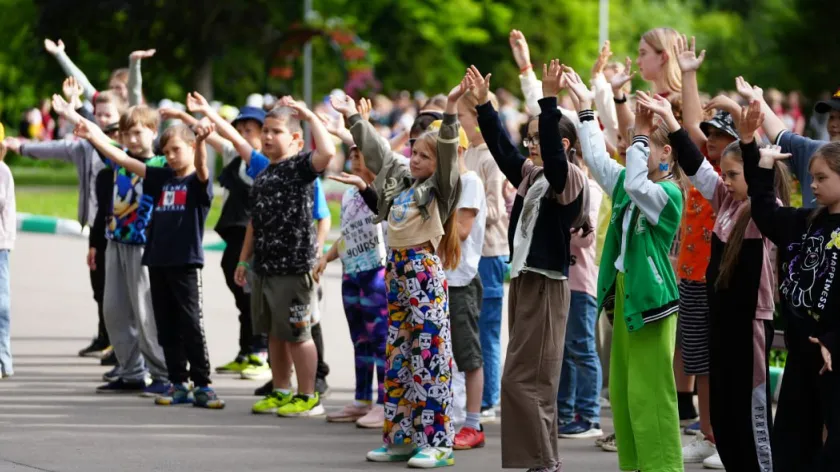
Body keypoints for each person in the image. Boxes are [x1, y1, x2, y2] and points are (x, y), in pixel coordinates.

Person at [653, 95, 790, 470]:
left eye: (733, 175)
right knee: (725, 412)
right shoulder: (725, 203)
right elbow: (697, 165)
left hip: (750, 325)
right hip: (722, 322)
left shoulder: (764, 212)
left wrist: (745, 135)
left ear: (753, 174)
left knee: (749, 411)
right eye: (724, 175)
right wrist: (670, 120)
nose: (725, 181)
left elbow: (758, 182)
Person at [334, 81, 464, 468]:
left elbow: (448, 152)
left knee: (430, 357)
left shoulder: (441, 189)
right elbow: (378, 151)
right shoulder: (402, 184)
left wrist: (451, 106)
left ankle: (437, 443)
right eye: (414, 152)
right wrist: (353, 118)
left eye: (425, 155)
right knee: (399, 359)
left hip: (423, 275)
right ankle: (401, 439)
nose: (416, 159)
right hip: (396, 273)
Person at [473, 62, 588, 472]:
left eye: (542, 138)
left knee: (525, 379)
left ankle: (544, 462)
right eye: (532, 137)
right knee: (531, 378)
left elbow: (556, 163)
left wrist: (549, 101)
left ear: (565, 143)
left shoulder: (569, 178)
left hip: (546, 283)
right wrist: (484, 107)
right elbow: (505, 152)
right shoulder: (532, 176)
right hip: (524, 281)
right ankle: (544, 460)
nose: (533, 144)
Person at [570, 66, 686, 470]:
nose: (635, 150)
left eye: (646, 145)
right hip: (624, 292)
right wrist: (585, 109)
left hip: (651, 299)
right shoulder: (628, 180)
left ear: (666, 154)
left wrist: (638, 132)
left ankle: (664, 467)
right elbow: (598, 160)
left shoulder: (668, 194)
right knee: (622, 391)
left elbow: (637, 184)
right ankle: (635, 465)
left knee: (650, 392)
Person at [211, 93, 337, 417]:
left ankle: (308, 396)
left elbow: (328, 152)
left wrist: (309, 116)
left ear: (296, 139)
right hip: (265, 267)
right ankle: (281, 390)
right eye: (265, 130)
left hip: (294, 268)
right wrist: (244, 259)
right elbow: (254, 222)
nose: (267, 136)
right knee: (275, 335)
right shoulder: (263, 173)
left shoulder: (300, 168)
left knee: (298, 334)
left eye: (275, 131)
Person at [53, 97, 170, 395]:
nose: (131, 139)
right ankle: (131, 373)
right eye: (126, 134)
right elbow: (100, 138)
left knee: (145, 313)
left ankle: (162, 374)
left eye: (138, 132)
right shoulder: (118, 156)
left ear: (153, 132)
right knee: (114, 310)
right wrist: (71, 113)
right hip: (115, 243)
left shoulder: (160, 165)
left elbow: (104, 143)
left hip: (143, 247)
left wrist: (94, 134)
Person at [4, 84, 126, 360]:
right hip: (96, 225)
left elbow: (103, 140)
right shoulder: (85, 147)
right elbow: (56, 149)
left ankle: (122, 346)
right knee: (99, 286)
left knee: (117, 290)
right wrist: (21, 147)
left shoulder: (120, 148)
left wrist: (75, 110)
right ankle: (106, 337)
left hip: (119, 227)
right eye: (99, 114)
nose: (102, 119)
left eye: (108, 115)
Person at [746, 117, 840, 471]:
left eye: (821, 178)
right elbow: (766, 214)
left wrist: (833, 340)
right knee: (790, 442)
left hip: (832, 355)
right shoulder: (807, 220)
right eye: (811, 178)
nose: (812, 185)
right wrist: (763, 169)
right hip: (802, 351)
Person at [315, 146, 388, 427]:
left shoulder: (382, 192)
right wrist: (326, 257)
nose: (354, 159)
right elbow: (347, 235)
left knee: (380, 341)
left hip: (376, 276)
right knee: (360, 340)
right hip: (351, 275)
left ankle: (385, 403)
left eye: (361, 154)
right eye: (352, 154)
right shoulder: (348, 195)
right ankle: (362, 400)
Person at [457, 87, 509, 422]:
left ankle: (488, 399)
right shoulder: (471, 153)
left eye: (461, 116)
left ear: (477, 118)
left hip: (489, 252)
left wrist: (464, 213)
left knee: (486, 330)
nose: (458, 122)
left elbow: (496, 208)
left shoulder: (491, 157)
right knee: (470, 328)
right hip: (470, 254)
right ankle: (477, 396)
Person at [556, 153, 603, 440]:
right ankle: (565, 412)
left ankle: (589, 416)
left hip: (581, 283)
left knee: (582, 349)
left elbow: (587, 236)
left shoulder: (590, 189)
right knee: (563, 352)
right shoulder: (560, 187)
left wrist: (557, 226)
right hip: (562, 280)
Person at [0, 133, 15, 379]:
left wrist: (6, 243)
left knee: (1, 306)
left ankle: (3, 360)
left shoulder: (3, 172)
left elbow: (8, 210)